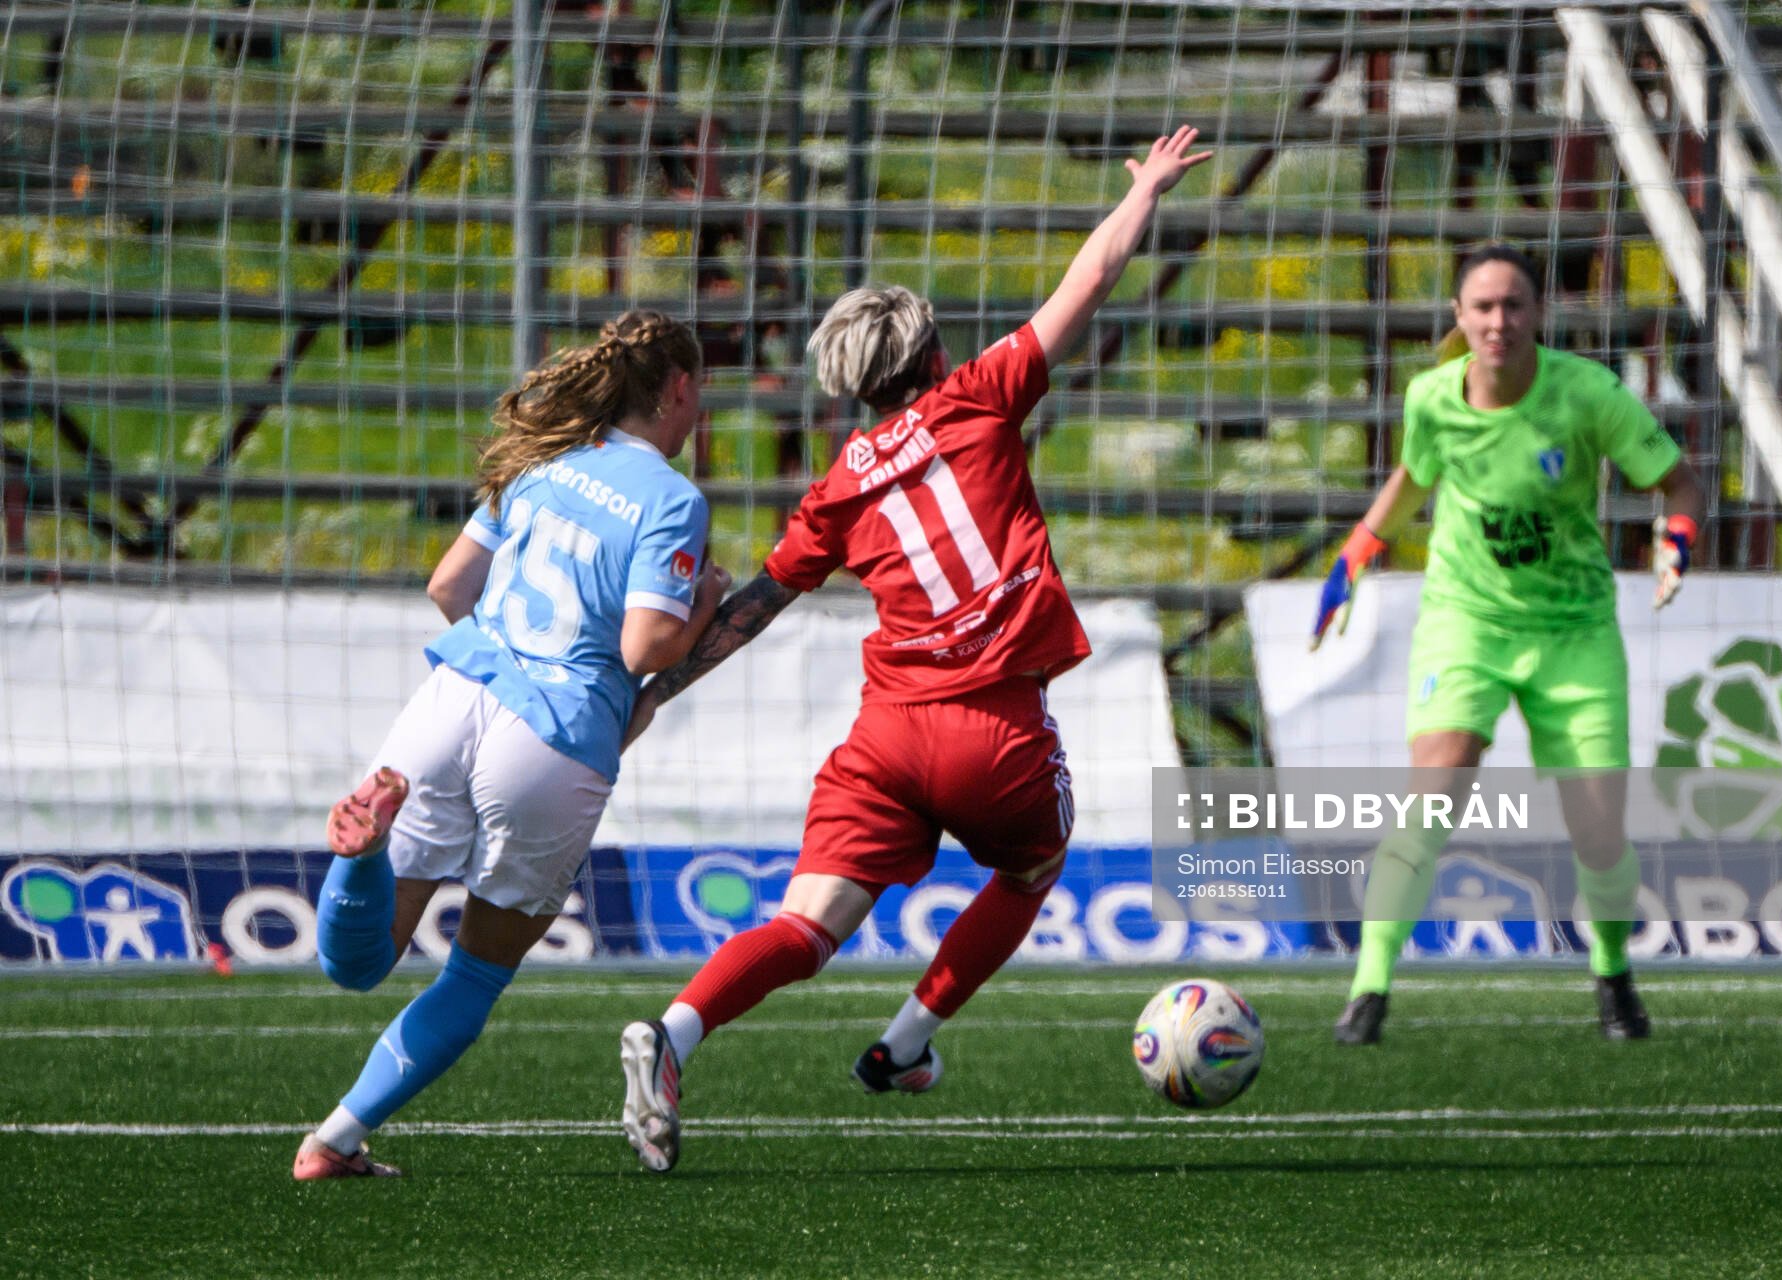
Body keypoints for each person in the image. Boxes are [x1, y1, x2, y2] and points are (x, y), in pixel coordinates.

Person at [614, 127, 1214, 1173]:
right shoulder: (978, 396)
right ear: (934, 355)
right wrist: (1144, 192)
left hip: (887, 735)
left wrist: (662, 687)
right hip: (994, 728)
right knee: (1033, 865)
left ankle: (675, 1030)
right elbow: (1090, 279)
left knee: (808, 926)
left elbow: (755, 604)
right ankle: (904, 1042)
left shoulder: (835, 491)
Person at [292, 310, 729, 1179]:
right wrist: (706, 606)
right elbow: (645, 647)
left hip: (453, 699)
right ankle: (332, 1140)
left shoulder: (544, 455)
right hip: (554, 736)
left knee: (363, 961)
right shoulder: (671, 498)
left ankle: (364, 856)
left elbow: (449, 586)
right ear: (678, 390)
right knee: (475, 974)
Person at [1312, 243, 1706, 1046]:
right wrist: (1356, 552)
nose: (1499, 321)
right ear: (1459, 318)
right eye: (1483, 307)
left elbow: (1680, 482)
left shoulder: (1589, 394)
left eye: (1514, 305)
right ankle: (1369, 987)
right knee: (1434, 788)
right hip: (1467, 621)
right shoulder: (1431, 397)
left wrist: (1678, 537)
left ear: (1539, 314)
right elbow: (1415, 476)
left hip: (1574, 630)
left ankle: (1611, 972)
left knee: (1599, 831)